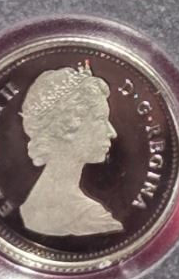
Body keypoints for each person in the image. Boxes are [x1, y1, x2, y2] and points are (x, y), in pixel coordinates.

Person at [16, 64, 123, 239]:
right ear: (68, 127)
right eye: (100, 119)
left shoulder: (30, 206)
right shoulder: (92, 218)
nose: (112, 132)